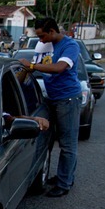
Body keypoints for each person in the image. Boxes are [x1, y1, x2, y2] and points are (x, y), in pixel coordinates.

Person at [19, 17, 81, 197]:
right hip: (51, 98)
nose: (40, 40)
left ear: (52, 31)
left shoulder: (70, 46)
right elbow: (31, 67)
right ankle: (63, 176)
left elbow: (59, 68)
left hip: (67, 98)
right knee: (46, 136)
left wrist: (30, 65)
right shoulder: (44, 45)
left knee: (67, 143)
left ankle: (64, 183)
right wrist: (25, 69)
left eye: (42, 36)